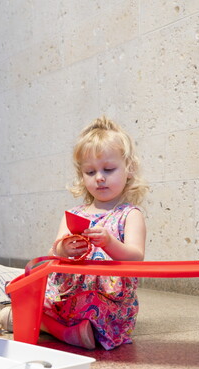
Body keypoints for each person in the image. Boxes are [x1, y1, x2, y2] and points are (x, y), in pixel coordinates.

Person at [43, 116, 148, 350]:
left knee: (90, 303)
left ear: (129, 169)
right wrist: (65, 248)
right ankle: (67, 329)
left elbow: (135, 257)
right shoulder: (74, 213)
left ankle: (59, 329)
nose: (99, 177)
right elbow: (55, 249)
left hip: (109, 301)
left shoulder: (130, 215)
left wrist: (110, 242)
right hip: (67, 294)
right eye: (90, 172)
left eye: (108, 169)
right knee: (31, 296)